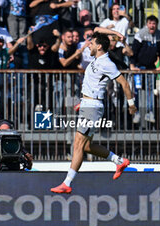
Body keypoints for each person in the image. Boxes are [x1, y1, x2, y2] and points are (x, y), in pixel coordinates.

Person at [50, 29, 137, 194]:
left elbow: (124, 84)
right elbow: (97, 30)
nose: (88, 44)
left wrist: (131, 104)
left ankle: (67, 183)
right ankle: (119, 160)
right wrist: (115, 33)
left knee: (78, 145)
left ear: (98, 46)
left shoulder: (107, 63)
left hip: (92, 107)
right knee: (87, 146)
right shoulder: (98, 59)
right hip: (87, 105)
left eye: (91, 43)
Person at [130, 15, 160, 124]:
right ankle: (137, 113)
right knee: (137, 90)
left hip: (151, 68)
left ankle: (150, 112)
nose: (152, 25)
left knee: (150, 90)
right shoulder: (140, 34)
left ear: (156, 25)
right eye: (150, 23)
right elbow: (133, 52)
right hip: (139, 67)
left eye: (154, 23)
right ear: (146, 24)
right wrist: (132, 65)